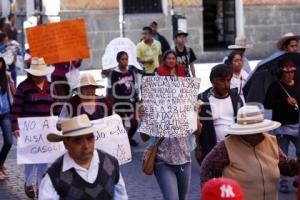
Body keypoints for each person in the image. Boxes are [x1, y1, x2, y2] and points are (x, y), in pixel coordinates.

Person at [200, 105, 298, 200]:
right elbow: (207, 168)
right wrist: (211, 194)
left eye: (258, 130)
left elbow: (286, 167)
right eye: (250, 131)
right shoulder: (226, 146)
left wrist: (297, 163)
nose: (255, 134)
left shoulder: (271, 142)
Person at [140, 50, 202, 200]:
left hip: (185, 160)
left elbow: (197, 132)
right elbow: (143, 137)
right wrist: (144, 119)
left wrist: (196, 114)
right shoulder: (155, 107)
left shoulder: (186, 106)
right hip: (163, 161)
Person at [39, 114, 128, 200]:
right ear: (66, 144)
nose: (86, 146)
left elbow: (121, 196)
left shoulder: (110, 163)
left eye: (90, 138)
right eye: (77, 140)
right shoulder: (53, 175)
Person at [11, 57, 59, 199]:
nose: (39, 76)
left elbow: (57, 107)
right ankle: (28, 183)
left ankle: (40, 190)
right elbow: (16, 109)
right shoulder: (23, 87)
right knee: (30, 159)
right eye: (36, 74)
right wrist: (15, 126)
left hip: (45, 129)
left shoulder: (51, 87)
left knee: (44, 160)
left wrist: (59, 122)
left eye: (41, 73)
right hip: (28, 130)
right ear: (31, 73)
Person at [264, 58, 300, 193]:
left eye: (292, 71)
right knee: (282, 157)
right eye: (287, 72)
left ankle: (298, 179)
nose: (290, 74)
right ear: (281, 72)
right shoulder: (275, 86)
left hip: (297, 125)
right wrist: (284, 100)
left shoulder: (298, 84)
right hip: (281, 127)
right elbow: (267, 103)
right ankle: (284, 182)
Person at [196, 64, 243, 164]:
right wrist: (198, 147)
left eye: (228, 80)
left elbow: (243, 122)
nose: (226, 85)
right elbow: (196, 129)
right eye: (222, 81)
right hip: (212, 151)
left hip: (236, 149)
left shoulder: (235, 97)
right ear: (213, 81)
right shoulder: (202, 100)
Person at [108, 51, 140, 146]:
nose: (125, 61)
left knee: (134, 123)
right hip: (120, 102)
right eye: (122, 59)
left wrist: (137, 98)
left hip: (131, 101)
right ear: (118, 60)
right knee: (121, 125)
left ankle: (128, 139)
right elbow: (112, 89)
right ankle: (122, 142)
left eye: (126, 59)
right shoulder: (114, 73)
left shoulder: (131, 71)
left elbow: (135, 85)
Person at [0, 57, 15, 180]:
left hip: (5, 113)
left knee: (9, 141)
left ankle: (0, 163)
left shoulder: (6, 76)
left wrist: (11, 83)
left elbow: (14, 94)